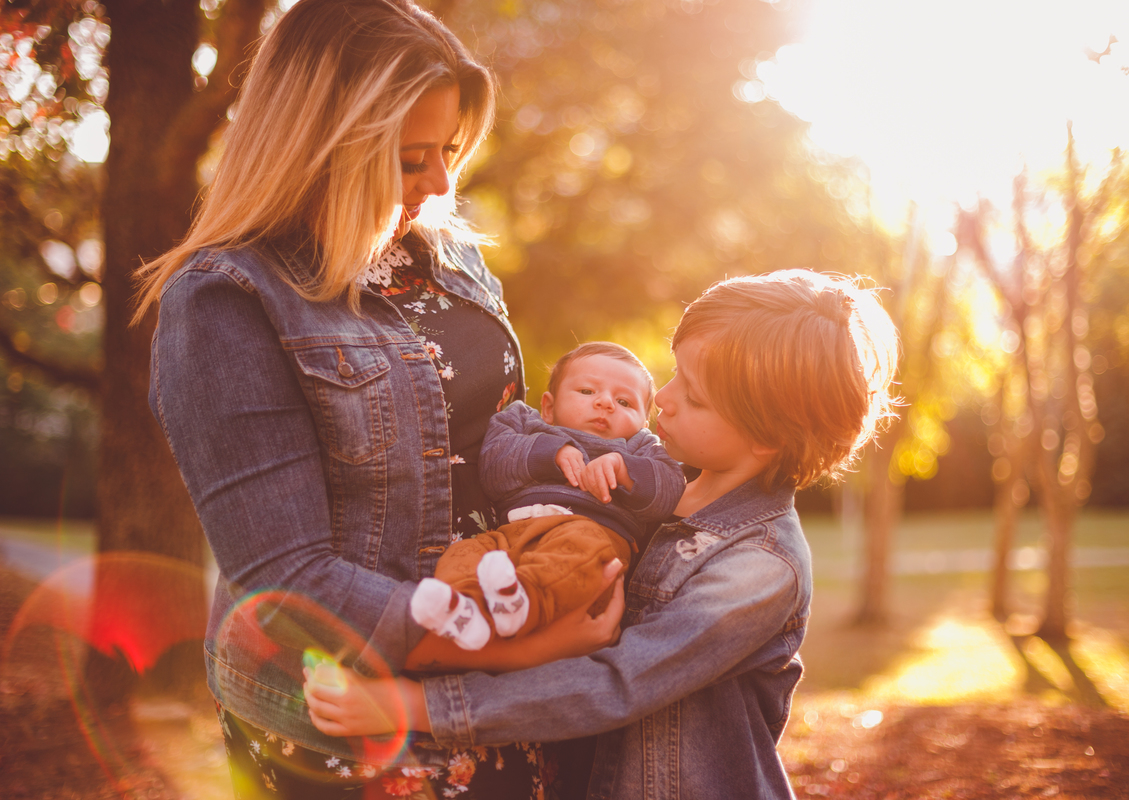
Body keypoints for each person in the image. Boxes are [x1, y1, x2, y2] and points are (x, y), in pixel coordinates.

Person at [136, 1, 619, 797]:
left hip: (497, 690)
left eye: (450, 150)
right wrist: (524, 649)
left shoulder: (447, 252)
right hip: (352, 711)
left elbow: (493, 435)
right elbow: (289, 581)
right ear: (320, 146)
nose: (441, 184)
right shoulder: (227, 297)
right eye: (410, 158)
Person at [304, 269, 900, 799]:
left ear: (766, 436)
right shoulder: (649, 495)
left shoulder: (760, 567)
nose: (663, 400)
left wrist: (416, 706)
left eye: (693, 396)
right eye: (674, 374)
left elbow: (617, 682)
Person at [409, 342, 685, 650]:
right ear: (549, 408)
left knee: (580, 548)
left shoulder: (640, 447)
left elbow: (671, 489)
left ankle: (521, 604)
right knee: (466, 551)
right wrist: (548, 453)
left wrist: (624, 469)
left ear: (644, 424)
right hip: (511, 536)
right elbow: (493, 467)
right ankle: (467, 611)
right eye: (587, 391)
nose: (606, 403)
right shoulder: (524, 423)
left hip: (591, 540)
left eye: (624, 401)